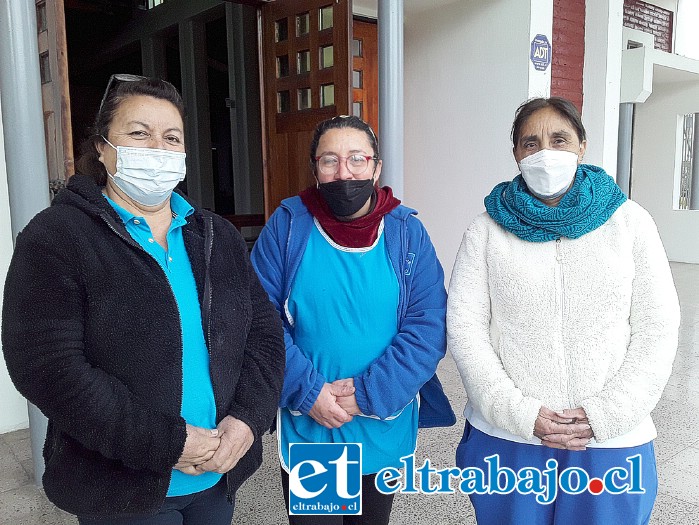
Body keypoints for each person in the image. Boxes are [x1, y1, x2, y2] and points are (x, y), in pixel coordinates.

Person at [1, 75, 285, 524]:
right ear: (101, 147)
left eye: (171, 137)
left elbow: (264, 336)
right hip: (122, 489)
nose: (157, 147)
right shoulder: (57, 237)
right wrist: (165, 443)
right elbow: (47, 367)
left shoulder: (216, 235)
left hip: (217, 476)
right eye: (139, 133)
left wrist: (248, 420)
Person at [447, 97, 680, 525]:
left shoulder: (629, 224)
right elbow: (465, 329)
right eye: (530, 143)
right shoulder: (485, 231)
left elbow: (657, 328)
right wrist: (521, 413)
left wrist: (604, 414)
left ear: (582, 146)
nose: (545, 153)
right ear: (516, 153)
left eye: (559, 139)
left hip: (610, 443)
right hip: (510, 440)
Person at [250, 115, 455, 525]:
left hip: (380, 419)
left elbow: (428, 325)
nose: (344, 172)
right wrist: (308, 392)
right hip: (315, 423)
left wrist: (370, 393)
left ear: (376, 168)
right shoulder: (289, 227)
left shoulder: (406, 233)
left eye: (357, 159)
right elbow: (260, 318)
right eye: (330, 160)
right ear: (315, 170)